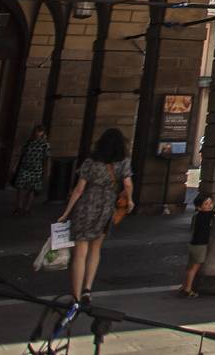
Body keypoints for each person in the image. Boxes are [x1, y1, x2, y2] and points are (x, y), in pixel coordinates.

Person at [57, 128, 134, 304]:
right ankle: (87, 289)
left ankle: (75, 295)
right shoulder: (123, 162)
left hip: (86, 205)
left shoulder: (90, 162)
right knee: (95, 249)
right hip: (106, 207)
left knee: (79, 253)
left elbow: (78, 189)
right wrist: (130, 201)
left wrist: (66, 212)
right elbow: (128, 184)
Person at [176, 192, 215, 297]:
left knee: (190, 267)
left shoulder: (198, 215)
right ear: (199, 207)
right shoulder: (205, 215)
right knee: (194, 268)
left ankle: (184, 286)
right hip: (200, 245)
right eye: (206, 204)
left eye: (211, 203)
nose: (210, 205)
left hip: (194, 244)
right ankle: (187, 289)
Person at [12, 125, 50, 215]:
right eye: (37, 131)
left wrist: (47, 170)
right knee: (20, 186)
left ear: (43, 133)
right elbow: (21, 155)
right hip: (25, 167)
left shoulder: (45, 144)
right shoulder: (29, 142)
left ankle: (27, 208)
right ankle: (19, 207)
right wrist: (15, 165)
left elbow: (47, 158)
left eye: (40, 131)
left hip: (36, 168)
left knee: (32, 188)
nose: (38, 133)